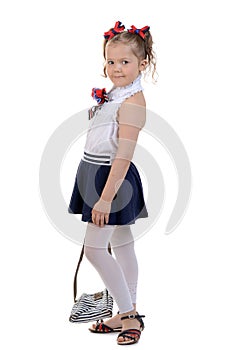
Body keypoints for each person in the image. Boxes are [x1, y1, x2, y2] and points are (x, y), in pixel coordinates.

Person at [68, 21, 156, 345]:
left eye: (125, 62)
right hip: (97, 172)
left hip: (111, 179)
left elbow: (123, 155)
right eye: (111, 61)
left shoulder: (133, 103)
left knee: (93, 250)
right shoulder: (117, 94)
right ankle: (127, 309)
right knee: (121, 242)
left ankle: (130, 315)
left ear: (142, 64)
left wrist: (105, 198)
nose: (116, 68)